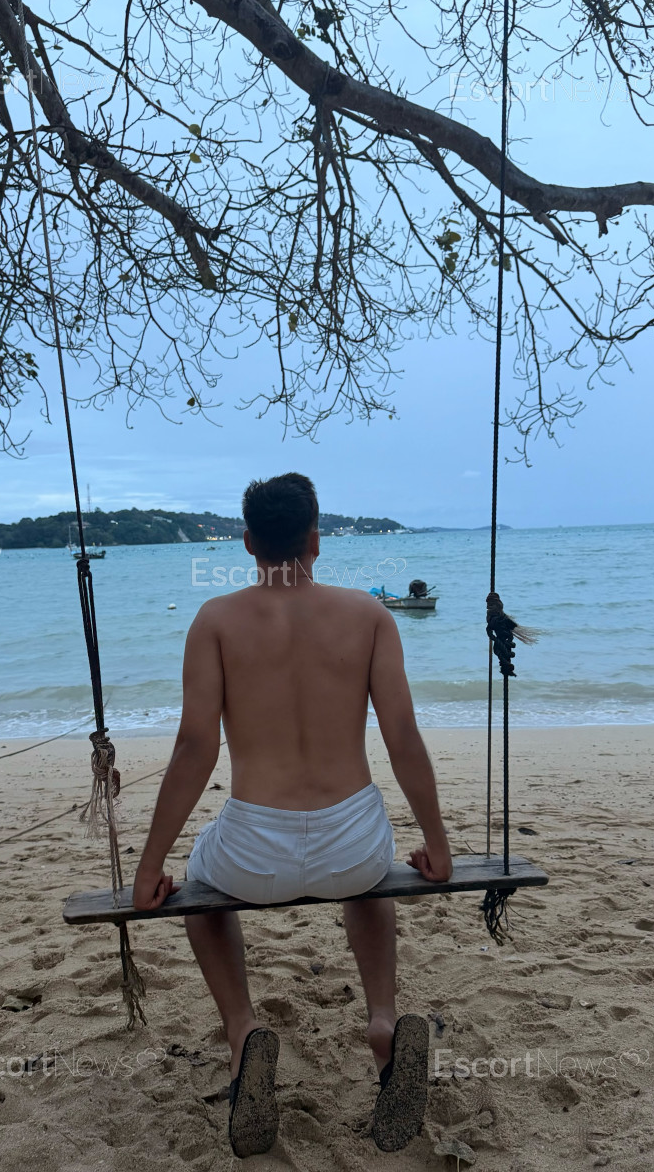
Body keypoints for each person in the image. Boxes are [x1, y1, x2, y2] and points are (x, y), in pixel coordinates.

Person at [133, 472, 452, 1157]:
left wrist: (149, 864)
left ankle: (243, 1032)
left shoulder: (215, 621)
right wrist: (438, 842)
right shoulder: (369, 616)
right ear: (316, 539)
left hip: (253, 852)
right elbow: (402, 736)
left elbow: (194, 747)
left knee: (199, 885)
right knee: (372, 876)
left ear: (249, 542)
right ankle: (382, 1022)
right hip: (352, 844)